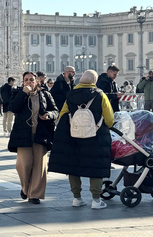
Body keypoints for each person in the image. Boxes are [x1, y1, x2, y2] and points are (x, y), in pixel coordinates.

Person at [49, 70, 115, 210]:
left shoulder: (71, 94)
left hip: (74, 136)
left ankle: (77, 198)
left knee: (74, 166)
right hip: (96, 137)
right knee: (96, 166)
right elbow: (109, 118)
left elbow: (62, 115)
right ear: (94, 81)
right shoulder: (100, 95)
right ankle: (96, 200)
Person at [7, 71, 58, 204]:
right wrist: (24, 93)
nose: (29, 82)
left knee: (40, 166)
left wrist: (49, 115)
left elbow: (55, 111)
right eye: (26, 80)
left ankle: (34, 194)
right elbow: (13, 108)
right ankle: (25, 188)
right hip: (23, 135)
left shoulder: (45, 95)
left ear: (37, 82)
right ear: (23, 82)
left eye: (31, 80)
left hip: (41, 134)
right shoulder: (18, 93)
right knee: (24, 165)